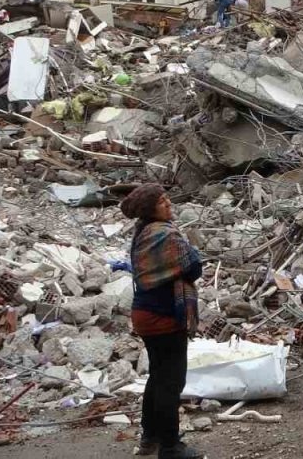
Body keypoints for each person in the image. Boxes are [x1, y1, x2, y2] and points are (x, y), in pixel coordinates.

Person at [125, 183, 204, 458]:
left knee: (158, 377)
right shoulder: (164, 234)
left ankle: (151, 438)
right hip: (163, 315)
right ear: (150, 209)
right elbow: (193, 266)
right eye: (161, 201)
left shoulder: (144, 232)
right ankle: (170, 447)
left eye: (167, 198)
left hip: (146, 313)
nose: (168, 203)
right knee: (171, 381)